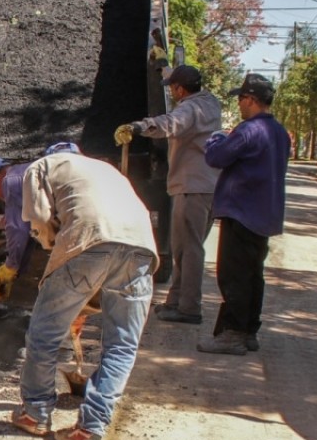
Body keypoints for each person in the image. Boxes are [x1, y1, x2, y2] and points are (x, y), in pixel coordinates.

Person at [10, 142, 158, 440]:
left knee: (45, 332)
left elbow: (38, 218)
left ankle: (35, 412)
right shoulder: (107, 170)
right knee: (122, 345)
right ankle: (91, 428)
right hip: (142, 250)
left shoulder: (42, 166)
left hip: (90, 241)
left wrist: (53, 248)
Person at [115, 63, 223, 324]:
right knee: (183, 248)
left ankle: (189, 308)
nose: (172, 92)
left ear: (180, 89)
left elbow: (171, 123)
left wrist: (140, 126)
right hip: (205, 185)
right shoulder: (210, 103)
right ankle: (176, 300)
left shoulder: (190, 108)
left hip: (192, 187)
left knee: (190, 249)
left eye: (172, 87)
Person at [197, 73, 291, 355]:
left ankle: (233, 334)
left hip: (242, 212)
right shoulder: (279, 132)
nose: (239, 104)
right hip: (263, 215)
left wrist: (215, 140)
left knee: (233, 275)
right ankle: (249, 330)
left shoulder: (249, 130)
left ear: (250, 100)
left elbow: (217, 158)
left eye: (241, 98)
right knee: (252, 274)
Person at [0, 156, 36, 306]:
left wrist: (10, 266)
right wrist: (12, 276)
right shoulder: (26, 176)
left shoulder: (10, 183)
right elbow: (28, 235)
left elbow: (17, 229)